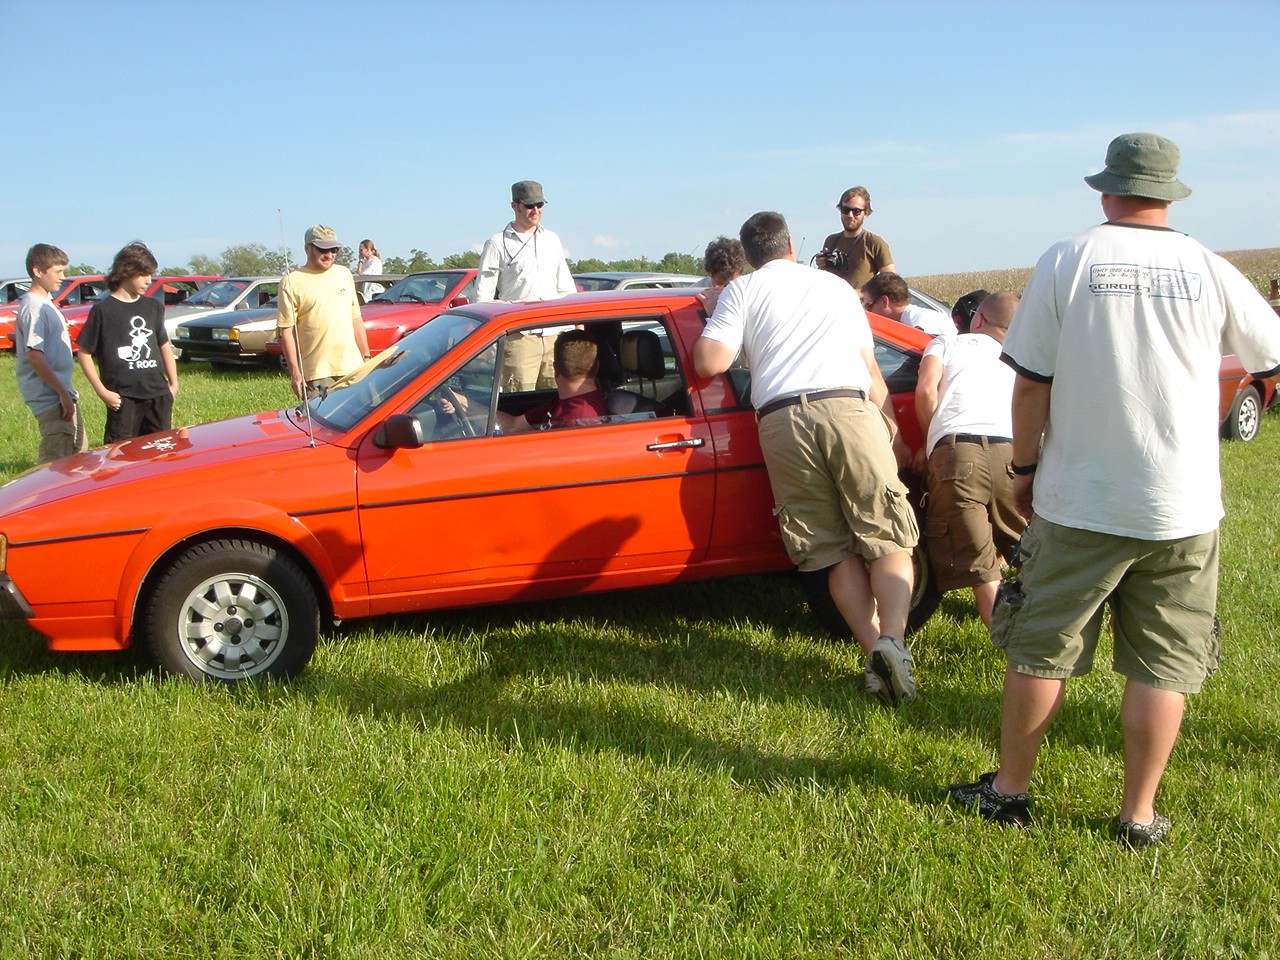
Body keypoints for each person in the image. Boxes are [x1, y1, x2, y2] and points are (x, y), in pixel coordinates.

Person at [948, 133, 1280, 845]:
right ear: (1170, 193)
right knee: (1164, 663)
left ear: (1106, 189)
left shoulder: (1068, 259)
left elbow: (1030, 384)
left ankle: (1010, 791)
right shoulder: (1207, 265)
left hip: (1081, 497)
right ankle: (1138, 817)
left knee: (1041, 649)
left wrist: (1025, 470)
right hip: (1183, 506)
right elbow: (1270, 352)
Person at [694, 211, 920, 705]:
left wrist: (715, 313)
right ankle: (893, 644)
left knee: (828, 548)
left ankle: (873, 655)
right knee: (886, 531)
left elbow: (709, 363)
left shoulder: (742, 291)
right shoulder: (836, 287)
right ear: (792, 245)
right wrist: (895, 433)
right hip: (848, 408)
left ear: (748, 255)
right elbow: (870, 369)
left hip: (782, 421)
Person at [913, 292, 1025, 628]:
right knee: (1025, 546)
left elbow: (926, 390)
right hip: (1009, 453)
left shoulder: (947, 343)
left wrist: (930, 444)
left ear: (978, 319)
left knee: (978, 563)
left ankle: (1007, 643)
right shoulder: (1019, 357)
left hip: (957, 453)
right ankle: (1048, 629)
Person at [477, 180, 577, 391]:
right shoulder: (497, 242)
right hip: (519, 337)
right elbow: (483, 293)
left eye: (540, 205)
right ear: (515, 206)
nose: (536, 210)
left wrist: (578, 327)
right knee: (520, 398)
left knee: (555, 397)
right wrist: (488, 337)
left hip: (556, 335)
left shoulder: (552, 239)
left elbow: (566, 287)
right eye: (529, 205)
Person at [77, 242, 179, 444]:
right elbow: (84, 353)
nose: (149, 280)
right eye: (143, 274)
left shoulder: (153, 307)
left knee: (160, 450)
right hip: (123, 398)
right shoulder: (103, 311)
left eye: (151, 274)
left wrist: (173, 385)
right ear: (126, 272)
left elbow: (163, 345)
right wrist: (102, 392)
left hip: (157, 395)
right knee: (121, 453)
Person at [445, 330, 607, 434]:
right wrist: (462, 402)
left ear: (555, 370)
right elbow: (512, 424)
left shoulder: (580, 421)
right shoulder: (565, 403)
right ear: (597, 366)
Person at [278, 224, 371, 400]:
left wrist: (366, 357)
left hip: (354, 368)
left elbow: (356, 318)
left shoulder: (345, 274)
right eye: (323, 250)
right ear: (307, 248)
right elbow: (287, 331)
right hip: (317, 372)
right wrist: (295, 373)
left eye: (334, 250)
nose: (329, 255)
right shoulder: (291, 282)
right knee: (323, 418)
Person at [14, 243, 88, 463]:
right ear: (37, 271)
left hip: (62, 393)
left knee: (77, 453)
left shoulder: (44, 303)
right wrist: (61, 393)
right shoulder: (34, 307)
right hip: (51, 397)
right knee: (56, 462)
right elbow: (34, 355)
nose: (62, 277)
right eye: (57, 271)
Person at [815, 186, 895, 289]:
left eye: (856, 211)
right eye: (845, 210)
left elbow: (891, 283)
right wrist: (821, 265)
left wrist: (863, 293)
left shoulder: (874, 243)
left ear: (866, 213)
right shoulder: (831, 241)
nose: (850, 215)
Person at [861, 273, 955, 339]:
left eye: (868, 306)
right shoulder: (912, 318)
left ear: (884, 301)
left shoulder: (917, 324)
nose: (867, 313)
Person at [700, 236, 748, 313]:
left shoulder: (750, 294)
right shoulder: (695, 294)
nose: (727, 289)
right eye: (721, 283)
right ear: (709, 273)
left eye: (732, 284)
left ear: (740, 273)